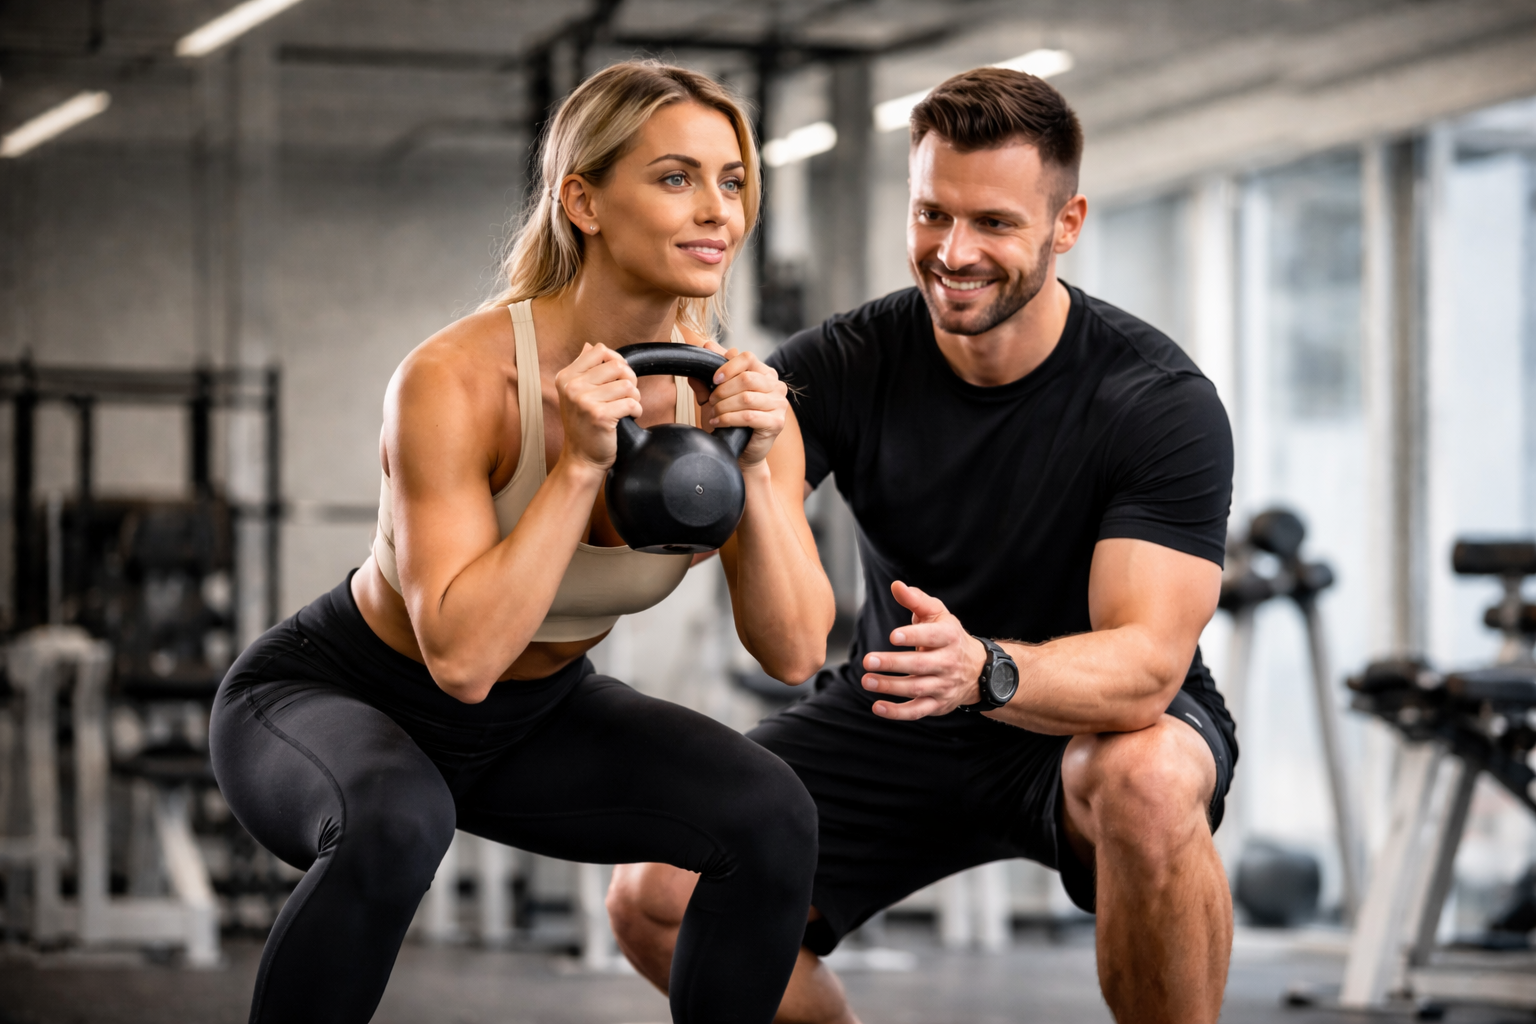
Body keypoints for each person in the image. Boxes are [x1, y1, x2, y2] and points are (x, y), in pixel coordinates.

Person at [608, 67, 1237, 1024]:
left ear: (1066, 225)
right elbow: (698, 531)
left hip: (1082, 721)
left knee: (1148, 779)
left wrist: (985, 669)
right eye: (932, 214)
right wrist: (638, 455)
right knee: (655, 900)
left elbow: (1148, 667)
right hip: (895, 708)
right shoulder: (843, 362)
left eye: (993, 223)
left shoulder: (1156, 402)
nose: (954, 251)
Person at [209, 61, 833, 1024]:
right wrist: (579, 466)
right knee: (396, 818)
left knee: (770, 814)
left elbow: (793, 652)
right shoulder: (458, 380)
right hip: (333, 694)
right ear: (582, 201)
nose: (718, 211)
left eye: (733, 180)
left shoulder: (733, 405)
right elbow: (458, 660)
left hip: (533, 717)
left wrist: (759, 469)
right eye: (675, 178)